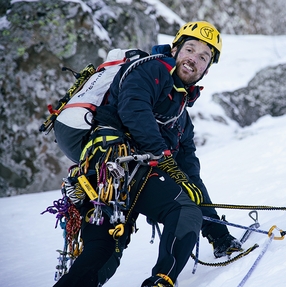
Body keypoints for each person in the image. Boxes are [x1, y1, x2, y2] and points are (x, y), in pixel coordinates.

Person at [54, 21, 242, 287]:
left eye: (203, 57)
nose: (194, 59)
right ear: (174, 49)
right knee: (183, 211)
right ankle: (161, 281)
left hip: (109, 179)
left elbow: (190, 177)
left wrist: (218, 233)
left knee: (103, 252)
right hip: (113, 168)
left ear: (206, 71)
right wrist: (164, 156)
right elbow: (134, 109)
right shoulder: (152, 69)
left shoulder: (181, 119)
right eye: (190, 49)